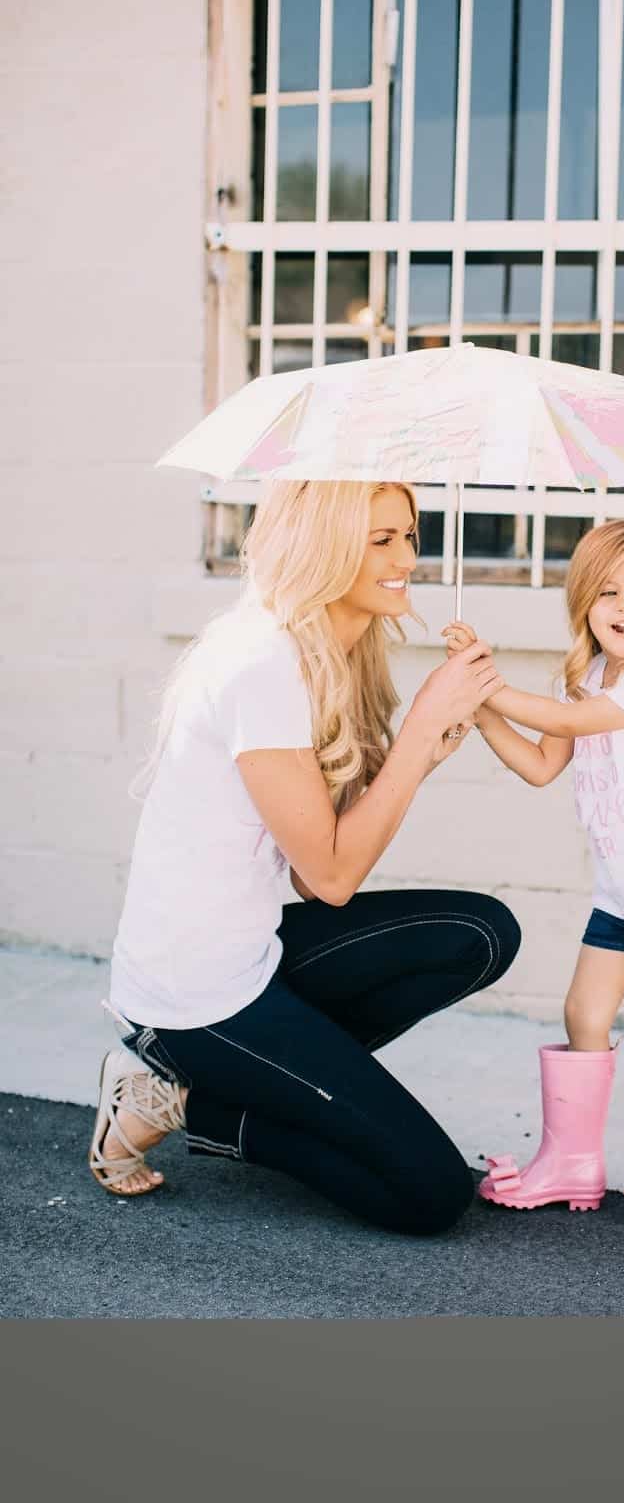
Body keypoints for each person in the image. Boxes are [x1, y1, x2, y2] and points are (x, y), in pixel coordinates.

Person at [89, 479, 520, 1236]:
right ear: (322, 546)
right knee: (429, 1193)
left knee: (482, 933)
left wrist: (423, 754)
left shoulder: (328, 656)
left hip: (256, 954)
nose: (407, 558)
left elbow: (304, 878)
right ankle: (194, 1101)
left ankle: (275, 1083)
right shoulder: (261, 661)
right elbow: (330, 876)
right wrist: (419, 732)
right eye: (380, 540)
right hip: (194, 1000)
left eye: (410, 536)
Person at [443, 519, 624, 1227]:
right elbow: (544, 765)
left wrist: (485, 678)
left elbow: (571, 726)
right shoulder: (588, 678)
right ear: (583, 602)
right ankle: (573, 1162)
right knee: (583, 1014)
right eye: (608, 591)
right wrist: (480, 707)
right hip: (623, 893)